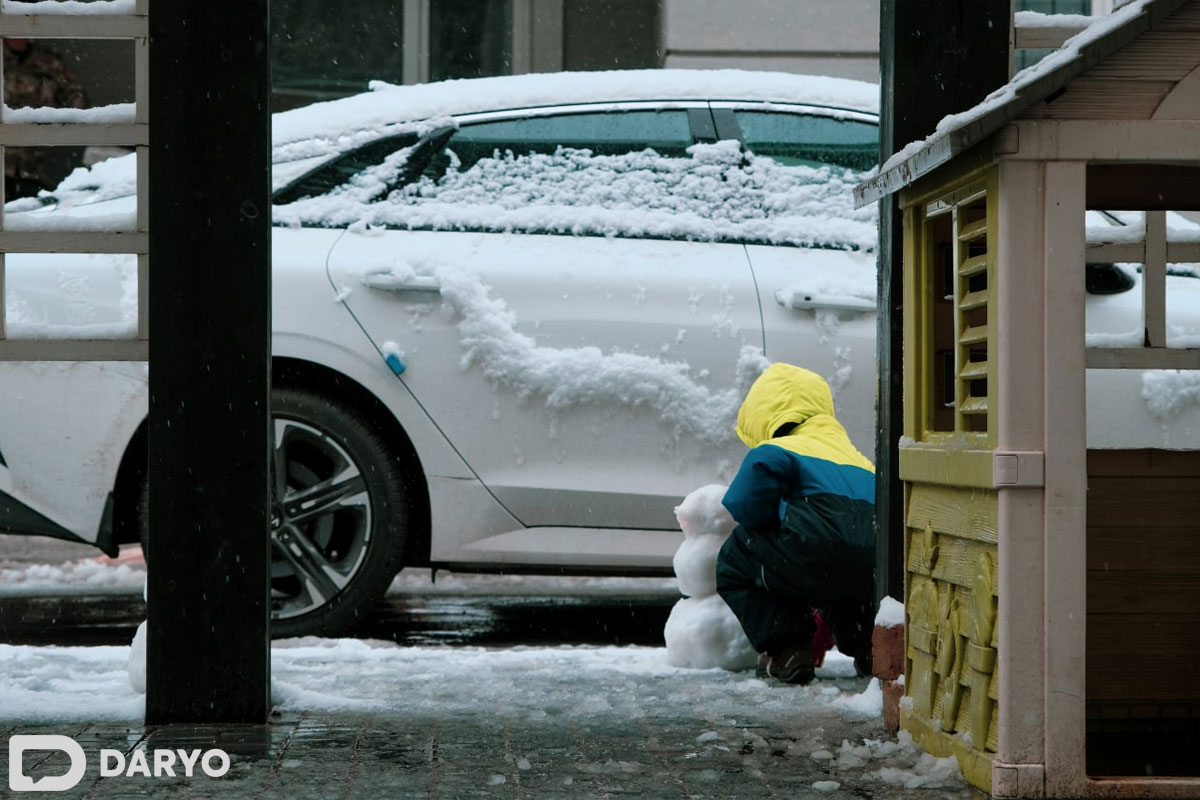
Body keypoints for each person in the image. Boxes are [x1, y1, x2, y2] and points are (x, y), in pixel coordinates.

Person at [716, 362, 876, 685]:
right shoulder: (860, 458)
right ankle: (871, 649)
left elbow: (743, 505)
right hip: (870, 566)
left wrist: (773, 521)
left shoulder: (778, 450)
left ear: (762, 414)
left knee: (736, 557)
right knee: (845, 572)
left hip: (810, 556)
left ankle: (789, 648)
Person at [4, 37, 87, 198]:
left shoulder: (47, 62)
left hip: (35, 168)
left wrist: (62, 128)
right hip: (4, 160)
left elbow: (76, 96)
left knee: (30, 217)